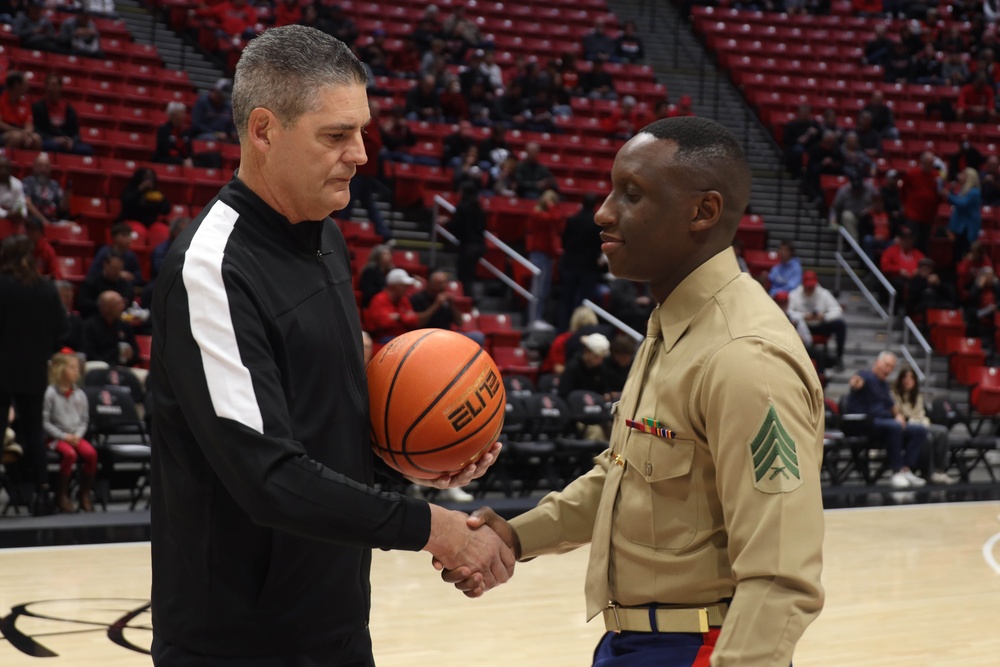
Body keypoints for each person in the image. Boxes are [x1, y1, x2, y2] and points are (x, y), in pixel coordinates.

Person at [149, 27, 511, 666]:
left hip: (336, 628)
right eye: (336, 135)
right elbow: (266, 477)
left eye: (362, 131)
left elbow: (322, 437)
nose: (361, 154)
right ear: (264, 130)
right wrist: (431, 528)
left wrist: (411, 463)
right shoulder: (210, 269)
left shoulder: (328, 239)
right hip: (237, 646)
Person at [444, 117, 825, 665]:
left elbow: (782, 576)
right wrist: (516, 536)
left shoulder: (745, 356)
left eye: (632, 194)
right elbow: (623, 477)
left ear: (704, 212)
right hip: (632, 641)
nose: (602, 211)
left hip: (702, 647)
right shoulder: (672, 327)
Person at [0, 235, 67, 515]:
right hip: (34, 369)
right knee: (34, 432)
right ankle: (42, 493)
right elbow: (61, 331)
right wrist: (40, 353)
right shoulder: (47, 288)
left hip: (1, 369)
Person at [845, 351, 927, 489]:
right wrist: (855, 383)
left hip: (883, 424)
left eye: (891, 367)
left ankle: (906, 469)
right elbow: (857, 381)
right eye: (886, 365)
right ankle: (896, 470)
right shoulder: (866, 376)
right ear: (877, 362)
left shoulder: (884, 385)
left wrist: (899, 416)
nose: (888, 370)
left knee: (919, 430)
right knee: (894, 427)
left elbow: (892, 406)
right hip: (864, 423)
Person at [42, 349, 98, 512]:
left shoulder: (80, 394)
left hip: (75, 435)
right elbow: (45, 422)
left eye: (77, 368)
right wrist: (64, 436)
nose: (76, 371)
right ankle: (61, 495)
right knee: (70, 454)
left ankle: (83, 493)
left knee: (91, 454)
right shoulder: (50, 394)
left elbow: (84, 420)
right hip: (56, 437)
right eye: (72, 367)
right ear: (60, 370)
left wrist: (77, 435)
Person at [891, 366, 956, 485]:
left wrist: (923, 423)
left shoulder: (917, 396)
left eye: (911, 378)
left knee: (942, 431)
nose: (908, 380)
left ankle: (939, 471)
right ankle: (928, 473)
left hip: (919, 424)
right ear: (900, 379)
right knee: (927, 438)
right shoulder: (894, 395)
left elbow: (921, 415)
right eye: (905, 377)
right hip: (905, 429)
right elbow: (900, 415)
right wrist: (917, 423)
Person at [558, 192, 604, 331]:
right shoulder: (597, 224)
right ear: (596, 205)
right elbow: (599, 245)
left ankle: (562, 331)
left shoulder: (572, 219)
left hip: (570, 264)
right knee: (585, 302)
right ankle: (581, 331)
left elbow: (564, 241)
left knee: (567, 300)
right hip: (588, 267)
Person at [788, 270, 847, 371]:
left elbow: (837, 310)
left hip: (820, 324)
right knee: (790, 323)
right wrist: (803, 316)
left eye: (812, 286)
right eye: (808, 286)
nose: (810, 289)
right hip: (803, 327)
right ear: (803, 284)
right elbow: (788, 311)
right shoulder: (794, 294)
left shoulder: (824, 293)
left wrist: (824, 316)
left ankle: (839, 358)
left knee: (840, 324)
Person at [32, 72, 92, 155]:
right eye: (48, 85)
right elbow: (36, 130)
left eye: (53, 85)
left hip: (65, 141)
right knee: (50, 146)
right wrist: (54, 139)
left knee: (86, 149)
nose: (50, 88)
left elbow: (76, 134)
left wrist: (71, 141)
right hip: (48, 140)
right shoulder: (38, 107)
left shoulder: (69, 109)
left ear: (60, 87)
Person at [526, 189, 562, 326]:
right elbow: (555, 218)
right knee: (538, 289)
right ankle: (533, 320)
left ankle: (539, 317)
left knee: (545, 290)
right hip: (539, 254)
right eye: (549, 201)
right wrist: (552, 207)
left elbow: (558, 221)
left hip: (548, 254)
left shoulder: (547, 214)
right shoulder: (538, 214)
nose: (551, 204)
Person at [81, 289, 139, 367]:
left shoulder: (125, 326)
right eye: (118, 304)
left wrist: (131, 355)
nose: (123, 306)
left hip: (123, 369)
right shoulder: (90, 326)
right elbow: (89, 355)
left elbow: (136, 352)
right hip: (99, 369)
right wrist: (115, 354)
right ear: (105, 308)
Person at [448, 179, 486, 298]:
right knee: (470, 274)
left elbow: (457, 225)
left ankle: (469, 300)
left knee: (464, 276)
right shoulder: (479, 208)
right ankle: (470, 299)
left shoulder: (462, 206)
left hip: (467, 245)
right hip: (479, 245)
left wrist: (447, 222)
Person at [365, 268, 420, 345]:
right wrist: (405, 317)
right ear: (394, 285)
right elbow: (384, 323)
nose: (407, 288)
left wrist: (399, 317)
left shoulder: (404, 299)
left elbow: (414, 320)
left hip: (403, 337)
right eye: (403, 285)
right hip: (383, 340)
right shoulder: (379, 299)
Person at [77, 247, 134, 318]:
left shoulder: (125, 284)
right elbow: (83, 304)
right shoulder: (92, 281)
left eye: (119, 269)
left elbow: (128, 304)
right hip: (95, 319)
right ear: (105, 265)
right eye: (114, 268)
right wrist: (106, 305)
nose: (116, 272)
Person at [558, 332, 612, 398]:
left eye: (602, 357)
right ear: (587, 351)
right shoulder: (573, 367)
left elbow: (605, 389)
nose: (600, 361)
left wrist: (606, 395)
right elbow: (564, 393)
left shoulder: (601, 368)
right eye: (596, 357)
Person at [22, 152, 70, 227]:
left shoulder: (55, 184)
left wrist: (68, 193)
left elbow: (62, 208)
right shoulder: (28, 182)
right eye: (40, 166)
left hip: (52, 221)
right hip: (33, 221)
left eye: (46, 166)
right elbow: (27, 203)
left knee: (73, 227)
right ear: (34, 167)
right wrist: (44, 221)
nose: (43, 169)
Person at [946, 167, 983, 265]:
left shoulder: (974, 192)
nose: (960, 176)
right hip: (961, 227)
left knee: (964, 251)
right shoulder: (964, 190)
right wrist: (951, 191)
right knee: (957, 250)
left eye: (963, 175)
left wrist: (948, 195)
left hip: (968, 227)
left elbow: (962, 203)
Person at [0, 70, 41, 150]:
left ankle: (32, 162)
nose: (28, 87)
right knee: (16, 137)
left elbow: (29, 123)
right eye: (25, 84)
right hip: (4, 132)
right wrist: (19, 131)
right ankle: (5, 160)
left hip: (20, 131)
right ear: (17, 85)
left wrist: (27, 133)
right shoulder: (1, 100)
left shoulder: (24, 103)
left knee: (36, 138)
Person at [191, 78, 238, 142]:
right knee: (213, 138)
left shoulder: (227, 106)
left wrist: (233, 133)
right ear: (215, 91)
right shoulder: (202, 102)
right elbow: (197, 125)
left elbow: (231, 126)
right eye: (220, 96)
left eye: (223, 98)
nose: (222, 99)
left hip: (224, 136)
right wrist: (215, 134)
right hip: (204, 135)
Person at [358, 243, 393, 309]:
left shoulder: (390, 271)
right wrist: (384, 290)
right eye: (385, 254)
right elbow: (367, 292)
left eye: (389, 254)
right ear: (377, 256)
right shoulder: (369, 271)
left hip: (387, 305)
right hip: (371, 305)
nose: (389, 256)